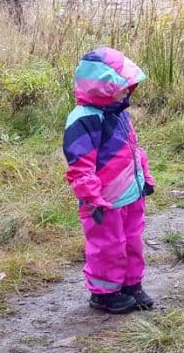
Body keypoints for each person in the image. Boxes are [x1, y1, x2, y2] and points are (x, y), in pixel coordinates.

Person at [63, 47, 155, 314]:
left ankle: (131, 284)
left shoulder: (119, 113)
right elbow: (80, 165)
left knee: (132, 239)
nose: (128, 88)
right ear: (102, 86)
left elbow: (134, 150)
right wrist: (92, 197)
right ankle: (104, 292)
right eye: (122, 83)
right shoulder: (84, 119)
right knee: (107, 245)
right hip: (103, 199)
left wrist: (144, 176)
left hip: (129, 192)